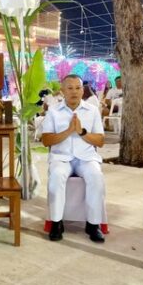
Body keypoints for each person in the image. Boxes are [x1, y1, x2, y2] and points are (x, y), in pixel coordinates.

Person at [41, 75, 106, 243]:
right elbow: (46, 140)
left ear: (82, 90)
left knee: (96, 177)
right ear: (62, 91)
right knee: (56, 177)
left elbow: (100, 141)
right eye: (69, 88)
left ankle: (93, 225)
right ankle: (56, 223)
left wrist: (81, 132)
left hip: (86, 157)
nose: (74, 92)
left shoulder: (92, 111)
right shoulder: (54, 111)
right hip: (61, 158)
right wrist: (69, 131)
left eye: (78, 88)